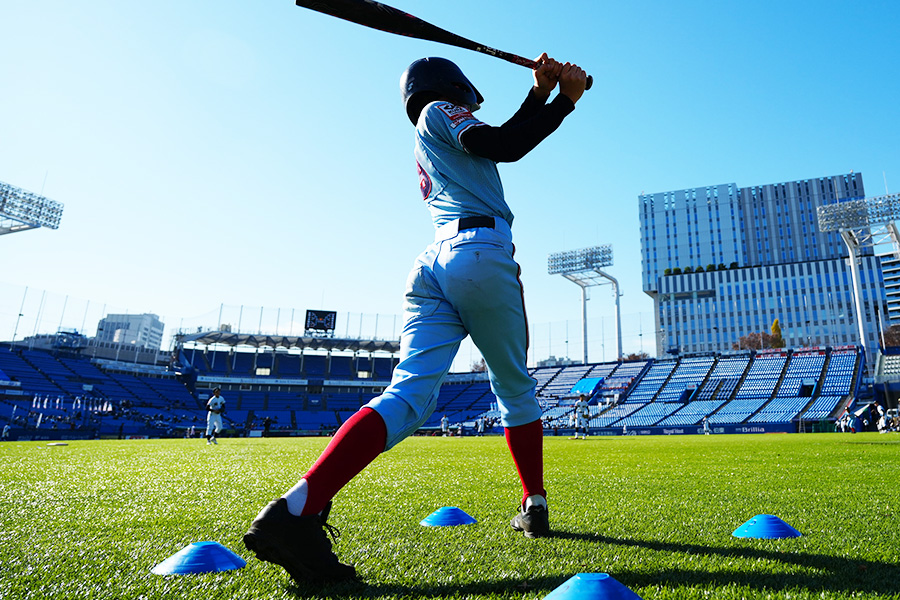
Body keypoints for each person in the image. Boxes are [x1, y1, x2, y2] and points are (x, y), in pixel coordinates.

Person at [242, 53, 587, 585]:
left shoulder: (430, 128)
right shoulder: (438, 111)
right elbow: (506, 145)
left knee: (407, 399)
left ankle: (296, 510)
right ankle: (535, 503)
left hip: (436, 264)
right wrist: (565, 99)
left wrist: (541, 93)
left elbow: (500, 138)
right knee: (515, 390)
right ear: (450, 86)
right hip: (479, 252)